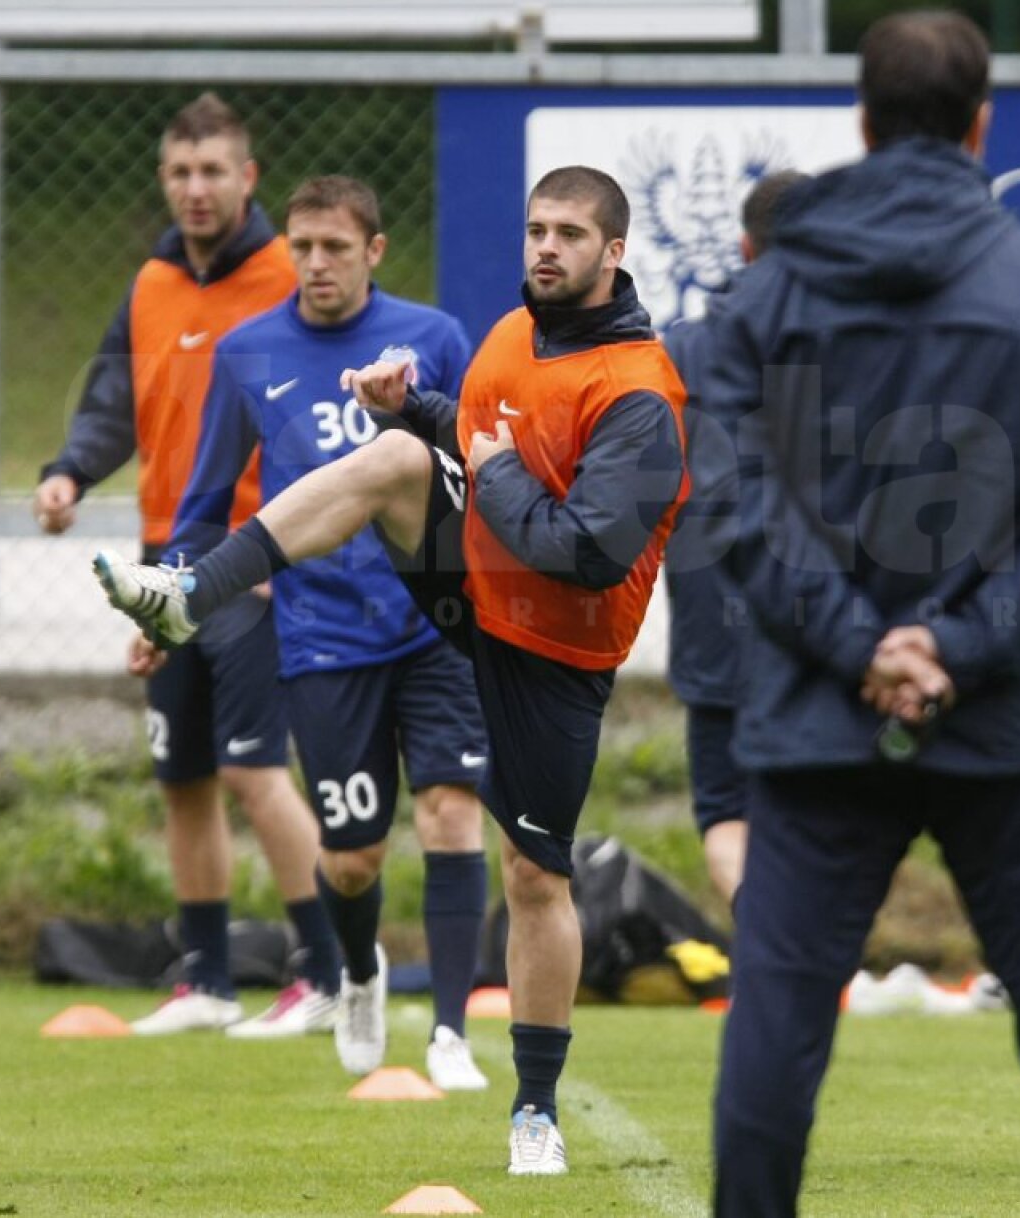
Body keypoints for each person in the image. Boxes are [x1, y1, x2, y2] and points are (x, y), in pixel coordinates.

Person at [93, 165, 689, 1174]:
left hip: (556, 652)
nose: (546, 248)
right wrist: (415, 407)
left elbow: (583, 552)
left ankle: (532, 1110)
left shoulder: (642, 392)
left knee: (535, 873)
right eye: (537, 228)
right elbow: (475, 441)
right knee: (395, 462)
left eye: (571, 235)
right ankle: (192, 597)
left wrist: (487, 465)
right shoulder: (507, 335)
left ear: (615, 252)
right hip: (478, 598)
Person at [704, 9, 1020, 1217]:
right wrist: (966, 643)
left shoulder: (771, 294)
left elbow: (735, 498)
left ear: (863, 117)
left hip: (818, 719)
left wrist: (858, 645)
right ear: (981, 123)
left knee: (779, 1035)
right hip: (1011, 720)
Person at [155, 174, 491, 1082]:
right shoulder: (248, 351)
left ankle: (452, 1033)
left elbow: (476, 466)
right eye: (301, 247)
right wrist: (169, 596)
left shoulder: (434, 339)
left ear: (374, 251)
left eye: (336, 247)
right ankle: (358, 970)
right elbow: (204, 506)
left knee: (453, 813)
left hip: (435, 629)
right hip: (322, 639)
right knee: (351, 860)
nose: (316, 264)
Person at [35, 94, 342, 1036]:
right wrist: (68, 472)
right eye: (180, 173)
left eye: (214, 171)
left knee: (257, 774)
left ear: (247, 178)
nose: (196, 189)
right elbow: (115, 400)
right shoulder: (153, 282)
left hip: (258, 559)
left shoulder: (290, 278)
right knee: (183, 777)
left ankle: (329, 972)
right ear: (165, 180)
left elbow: (330, 419)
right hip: (164, 562)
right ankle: (207, 980)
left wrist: (287, 549)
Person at [662, 169, 804, 909]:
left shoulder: (680, 349)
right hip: (827, 618)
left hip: (714, 611)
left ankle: (774, 938)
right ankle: (806, 947)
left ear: (745, 245)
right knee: (827, 808)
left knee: (725, 810)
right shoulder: (858, 342)